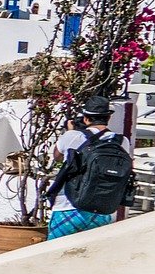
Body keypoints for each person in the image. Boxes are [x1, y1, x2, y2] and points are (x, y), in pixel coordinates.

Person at [48, 95, 131, 240]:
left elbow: (57, 156)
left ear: (86, 118)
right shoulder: (122, 141)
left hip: (67, 208)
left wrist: (69, 130)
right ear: (108, 118)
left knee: (52, 255)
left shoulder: (71, 136)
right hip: (102, 212)